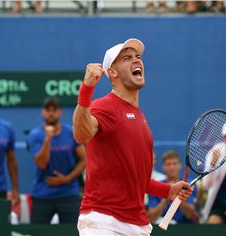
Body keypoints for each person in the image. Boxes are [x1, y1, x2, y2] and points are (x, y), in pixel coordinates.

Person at [73, 38, 193, 235]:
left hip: (137, 225)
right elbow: (81, 134)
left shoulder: (140, 118)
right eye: (127, 58)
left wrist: (167, 190)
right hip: (104, 221)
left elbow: (138, 179)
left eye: (138, 57)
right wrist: (86, 89)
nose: (137, 60)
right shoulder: (104, 106)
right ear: (112, 72)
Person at [27, 97, 86, 224]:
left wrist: (67, 178)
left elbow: (84, 159)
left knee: (73, 232)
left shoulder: (71, 132)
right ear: (42, 112)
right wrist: (48, 139)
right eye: (48, 110)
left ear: (60, 112)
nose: (51, 113)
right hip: (42, 195)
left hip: (68, 194)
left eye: (54, 110)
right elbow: (41, 164)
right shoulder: (35, 135)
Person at [147, 150, 198, 224]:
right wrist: (167, 194)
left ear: (180, 166)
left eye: (174, 164)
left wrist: (178, 197)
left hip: (185, 227)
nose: (172, 167)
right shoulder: (156, 186)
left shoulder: (188, 185)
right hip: (161, 228)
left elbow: (190, 215)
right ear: (163, 167)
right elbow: (151, 218)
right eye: (168, 164)